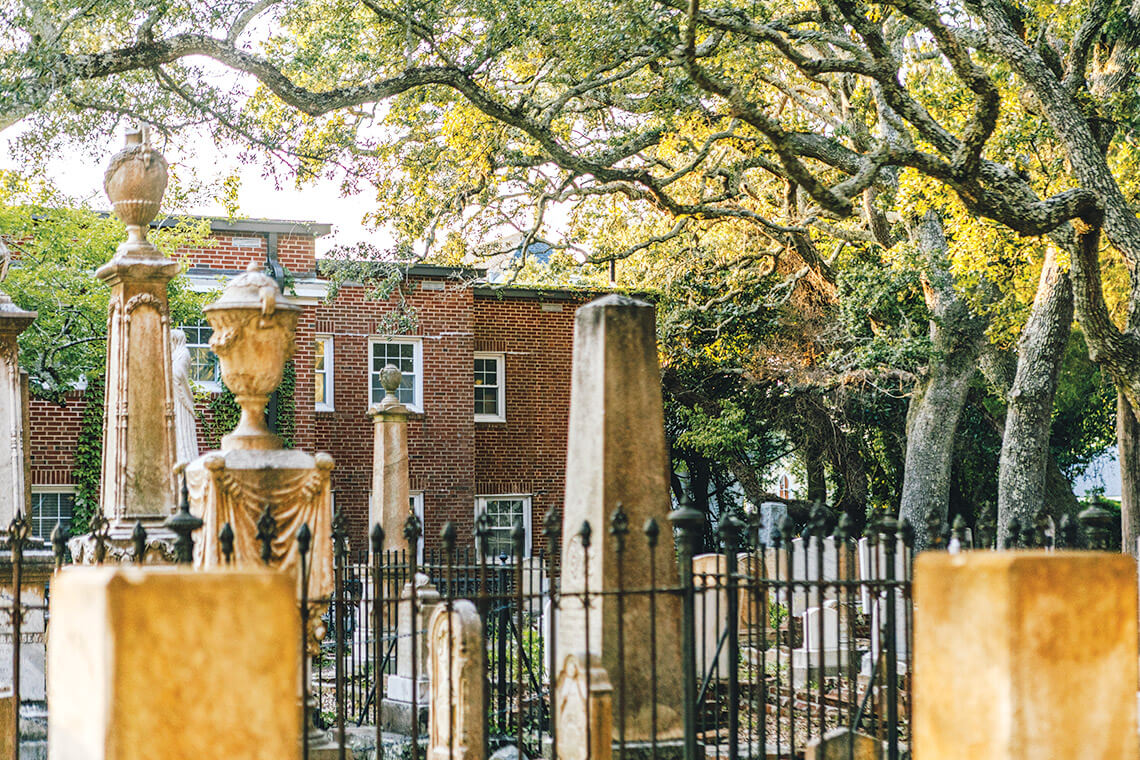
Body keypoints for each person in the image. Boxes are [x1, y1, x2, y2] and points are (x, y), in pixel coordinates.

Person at [170, 328, 199, 464]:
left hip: (180, 398)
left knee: (182, 428)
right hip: (173, 397)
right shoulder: (175, 354)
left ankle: (184, 458)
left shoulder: (183, 353)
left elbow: (178, 374)